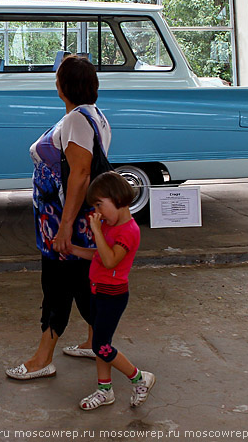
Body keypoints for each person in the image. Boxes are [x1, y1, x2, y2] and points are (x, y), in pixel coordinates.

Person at [6, 55, 109, 380]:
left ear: (63, 86)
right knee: (80, 282)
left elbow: (79, 173)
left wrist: (64, 228)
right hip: (70, 220)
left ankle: (42, 358)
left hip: (65, 223)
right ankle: (96, 340)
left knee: (56, 285)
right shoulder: (94, 115)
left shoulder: (78, 119)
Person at [70, 171, 155, 410]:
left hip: (113, 296)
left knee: (102, 347)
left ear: (117, 198)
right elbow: (98, 256)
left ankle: (140, 378)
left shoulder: (128, 231)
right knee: (101, 342)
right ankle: (104, 390)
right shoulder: (109, 225)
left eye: (99, 204)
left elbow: (110, 261)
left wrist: (96, 231)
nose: (97, 212)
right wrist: (72, 249)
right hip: (98, 291)